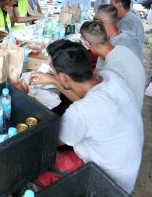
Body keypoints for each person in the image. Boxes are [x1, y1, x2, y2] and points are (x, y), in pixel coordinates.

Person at [29, 40, 143, 194]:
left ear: (63, 77)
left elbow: (52, 142)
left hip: (107, 182)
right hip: (125, 168)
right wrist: (52, 80)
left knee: (36, 162)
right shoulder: (109, 77)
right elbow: (86, 101)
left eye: (54, 72)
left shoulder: (80, 112)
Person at [80, 20, 145, 111]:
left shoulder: (110, 70)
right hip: (134, 106)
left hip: (127, 114)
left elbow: (90, 98)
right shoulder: (121, 48)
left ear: (87, 43)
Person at [94, 4, 143, 69]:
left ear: (98, 22)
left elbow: (97, 75)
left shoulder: (109, 47)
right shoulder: (131, 36)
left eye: (94, 20)